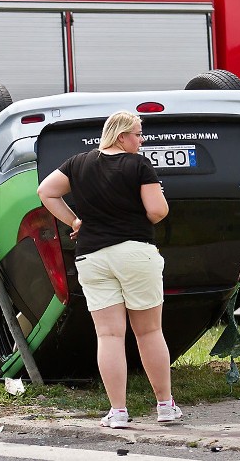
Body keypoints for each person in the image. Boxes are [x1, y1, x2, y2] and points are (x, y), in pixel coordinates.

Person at [37, 111, 181, 429]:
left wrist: (75, 221)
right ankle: (165, 406)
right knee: (149, 332)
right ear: (121, 136)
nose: (142, 141)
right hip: (134, 253)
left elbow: (46, 192)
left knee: (110, 335)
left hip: (92, 257)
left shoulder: (77, 163)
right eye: (138, 135)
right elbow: (158, 210)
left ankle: (117, 411)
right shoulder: (138, 165)